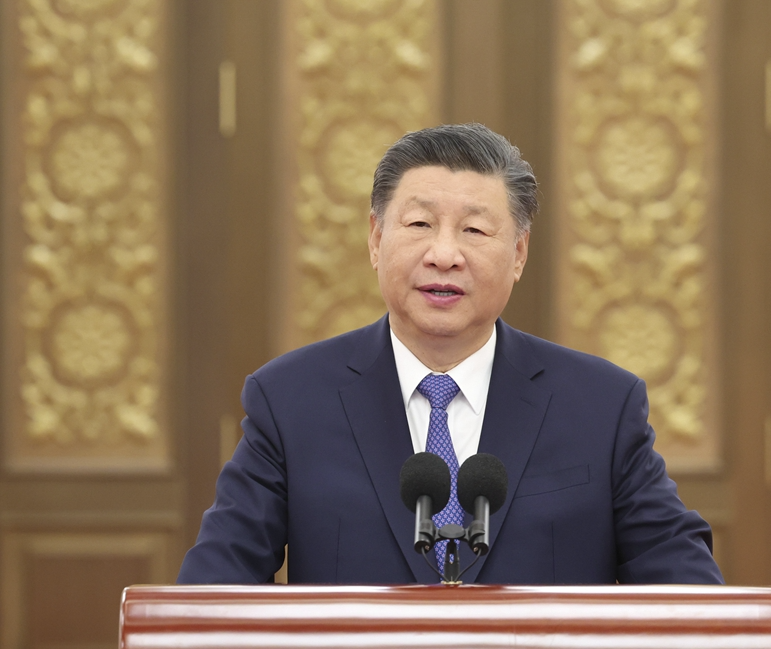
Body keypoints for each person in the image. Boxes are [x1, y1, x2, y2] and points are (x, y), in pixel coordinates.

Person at [177, 123, 724, 585]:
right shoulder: (290, 400)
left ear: (518, 253)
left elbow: (689, 592)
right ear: (375, 239)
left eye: (475, 230)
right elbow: (210, 595)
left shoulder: (602, 406)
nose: (444, 255)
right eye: (419, 225)